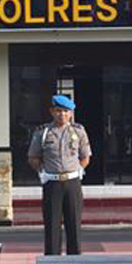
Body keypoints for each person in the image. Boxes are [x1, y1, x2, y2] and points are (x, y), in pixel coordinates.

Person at [28, 95, 91, 255]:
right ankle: (52, 260)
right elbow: (33, 157)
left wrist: (78, 170)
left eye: (65, 111)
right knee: (52, 225)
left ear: (71, 113)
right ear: (52, 112)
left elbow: (85, 156)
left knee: (74, 224)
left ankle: (74, 260)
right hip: (52, 182)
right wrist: (42, 172)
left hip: (72, 183)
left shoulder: (78, 131)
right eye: (58, 111)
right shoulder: (43, 132)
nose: (62, 114)